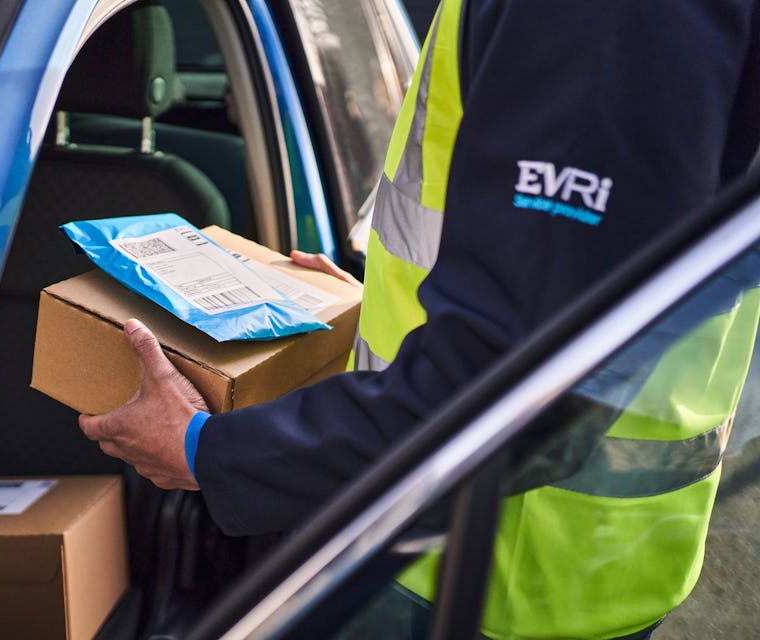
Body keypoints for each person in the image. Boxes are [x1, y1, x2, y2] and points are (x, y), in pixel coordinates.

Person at [78, 1, 760, 638]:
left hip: (472, 574)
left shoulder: (605, 19)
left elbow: (509, 392)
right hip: (578, 559)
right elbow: (567, 278)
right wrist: (378, 303)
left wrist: (206, 452)